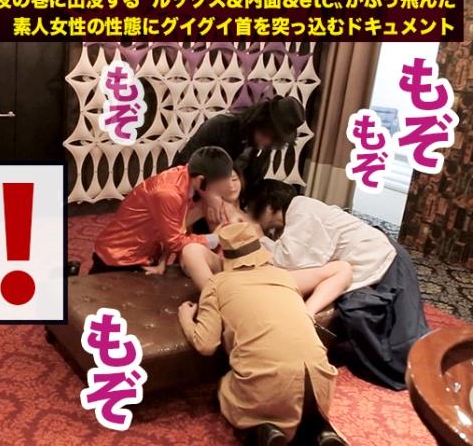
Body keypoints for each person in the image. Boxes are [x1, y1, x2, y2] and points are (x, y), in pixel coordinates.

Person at [246, 179, 430, 390]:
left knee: (394, 328)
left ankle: (418, 370)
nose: (251, 216)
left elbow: (288, 261)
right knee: (360, 312)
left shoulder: (302, 213)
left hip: (385, 259)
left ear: (269, 206)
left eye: (252, 209)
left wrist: (259, 238)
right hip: (373, 259)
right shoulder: (300, 212)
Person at [178, 222, 346, 446]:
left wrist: (186, 318)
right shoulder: (284, 277)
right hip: (322, 382)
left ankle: (263, 430)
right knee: (302, 393)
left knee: (227, 392)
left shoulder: (216, 285)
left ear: (224, 257)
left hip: (267, 387)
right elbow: (343, 269)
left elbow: (205, 345)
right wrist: (308, 313)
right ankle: (321, 429)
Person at [90, 146, 233, 290]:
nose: (216, 193)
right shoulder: (169, 194)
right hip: (119, 258)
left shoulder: (185, 177)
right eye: (216, 188)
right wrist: (215, 239)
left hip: (146, 255)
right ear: (201, 179)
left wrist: (162, 261)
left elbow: (174, 228)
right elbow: (175, 242)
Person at [172, 96, 305, 197]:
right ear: (260, 120)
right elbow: (182, 168)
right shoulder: (220, 126)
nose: (267, 142)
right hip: (189, 197)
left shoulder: (263, 150)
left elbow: (250, 189)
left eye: (274, 139)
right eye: (266, 133)